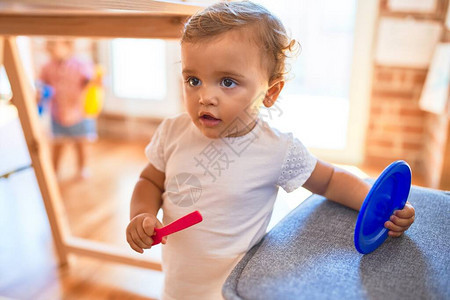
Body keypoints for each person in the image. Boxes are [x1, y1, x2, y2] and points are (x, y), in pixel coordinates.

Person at [126, 2, 416, 299]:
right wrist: (141, 214)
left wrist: (380, 203)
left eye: (227, 82)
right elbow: (150, 180)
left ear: (270, 92)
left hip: (241, 289)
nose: (205, 97)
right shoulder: (172, 132)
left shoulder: (278, 150)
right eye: (193, 80)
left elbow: (330, 180)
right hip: (179, 286)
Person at [39, 39, 95, 179]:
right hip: (58, 112)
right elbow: (42, 84)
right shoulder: (47, 66)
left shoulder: (81, 64)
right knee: (58, 144)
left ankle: (82, 168)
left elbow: (90, 81)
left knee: (81, 143)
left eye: (54, 43)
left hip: (79, 111)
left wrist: (94, 82)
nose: (50, 47)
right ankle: (54, 170)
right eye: (49, 45)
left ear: (68, 45)